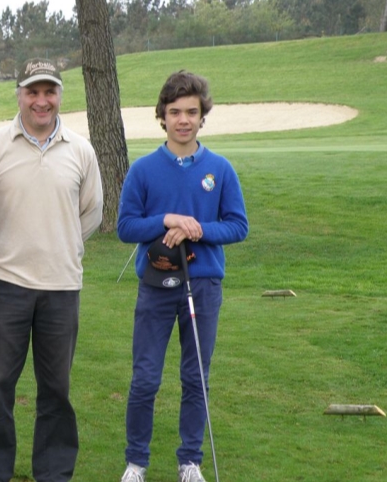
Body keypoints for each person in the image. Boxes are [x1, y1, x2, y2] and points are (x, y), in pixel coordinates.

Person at [0, 58, 104, 482]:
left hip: (62, 287)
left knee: (56, 392)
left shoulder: (80, 149)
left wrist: (60, 245)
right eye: (32, 91)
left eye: (49, 91)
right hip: (7, 286)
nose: (41, 101)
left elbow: (92, 213)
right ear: (19, 95)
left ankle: (54, 473)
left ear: (60, 95)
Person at [116, 70, 249, 482]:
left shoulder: (220, 169)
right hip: (155, 287)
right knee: (145, 378)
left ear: (202, 116)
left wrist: (197, 228)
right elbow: (126, 227)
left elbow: (238, 226)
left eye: (192, 111)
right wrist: (167, 220)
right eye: (175, 112)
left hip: (203, 285)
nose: (184, 120)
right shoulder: (142, 170)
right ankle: (136, 463)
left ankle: (189, 461)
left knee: (195, 377)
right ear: (162, 116)